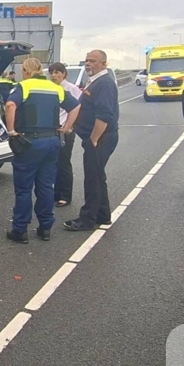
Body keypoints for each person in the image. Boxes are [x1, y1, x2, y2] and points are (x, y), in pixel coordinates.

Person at [5, 58, 79, 243]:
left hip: (30, 142)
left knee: (23, 189)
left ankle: (20, 230)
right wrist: (67, 127)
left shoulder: (23, 86)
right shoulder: (55, 88)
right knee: (46, 186)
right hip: (52, 141)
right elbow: (76, 106)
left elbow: (10, 105)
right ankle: (45, 228)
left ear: (26, 70)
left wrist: (11, 130)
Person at [64, 50, 119, 232]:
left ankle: (87, 219)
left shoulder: (104, 84)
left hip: (101, 138)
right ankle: (103, 215)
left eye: (93, 61)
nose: (88, 64)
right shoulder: (94, 82)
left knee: (92, 178)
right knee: (97, 176)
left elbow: (104, 114)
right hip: (95, 137)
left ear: (104, 64)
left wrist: (94, 138)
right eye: (87, 60)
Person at [49, 62, 83, 208]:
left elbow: (79, 107)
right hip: (53, 130)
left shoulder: (71, 88)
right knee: (54, 163)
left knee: (64, 163)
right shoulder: (51, 89)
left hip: (66, 130)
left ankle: (65, 195)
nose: (54, 75)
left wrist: (71, 126)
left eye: (57, 72)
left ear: (64, 74)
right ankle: (56, 193)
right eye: (52, 72)